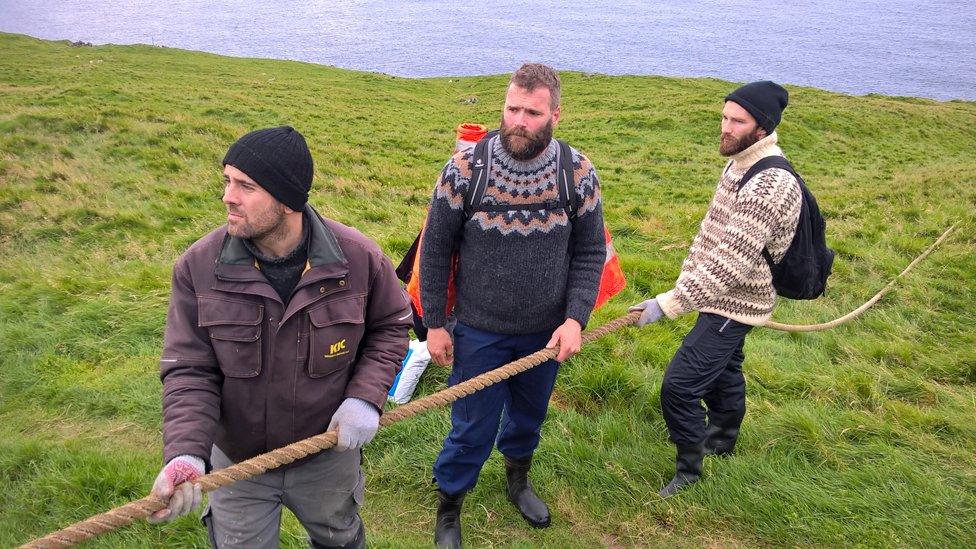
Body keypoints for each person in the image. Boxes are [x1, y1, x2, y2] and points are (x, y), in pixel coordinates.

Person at [149, 125, 411, 548]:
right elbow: (190, 371)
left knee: (340, 541)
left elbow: (392, 327)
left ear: (287, 200)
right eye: (227, 181)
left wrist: (365, 397)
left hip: (328, 457)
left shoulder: (359, 259)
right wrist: (186, 452)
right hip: (238, 465)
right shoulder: (197, 268)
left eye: (245, 185)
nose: (227, 197)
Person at [419, 63, 606, 548]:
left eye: (532, 112)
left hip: (546, 332)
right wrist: (435, 325)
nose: (519, 120)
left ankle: (518, 479)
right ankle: (450, 503)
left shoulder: (578, 174)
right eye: (512, 108)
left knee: (529, 415)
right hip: (478, 330)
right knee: (471, 426)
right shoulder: (464, 171)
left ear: (555, 115)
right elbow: (435, 249)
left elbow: (590, 253)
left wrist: (575, 319)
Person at [630, 81, 801, 497]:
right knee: (725, 372)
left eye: (736, 121)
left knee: (679, 386)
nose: (724, 127)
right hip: (716, 294)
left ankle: (689, 470)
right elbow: (711, 236)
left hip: (737, 301)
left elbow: (731, 264)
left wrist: (668, 304)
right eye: (724, 117)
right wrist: (685, 284)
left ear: (762, 128)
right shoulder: (739, 164)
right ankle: (722, 440)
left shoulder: (769, 184)